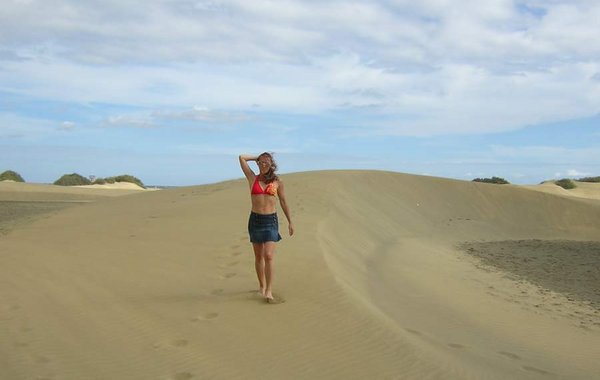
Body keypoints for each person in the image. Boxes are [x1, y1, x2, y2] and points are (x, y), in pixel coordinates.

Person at [239, 152, 294, 302]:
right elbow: (241, 158)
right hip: (255, 220)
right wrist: (257, 157)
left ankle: (269, 291)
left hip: (271, 221)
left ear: (271, 165)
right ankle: (262, 286)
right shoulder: (252, 178)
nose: (263, 165)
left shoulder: (277, 181)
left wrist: (290, 221)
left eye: (266, 163)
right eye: (261, 163)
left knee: (268, 256)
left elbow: (283, 201)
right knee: (258, 256)